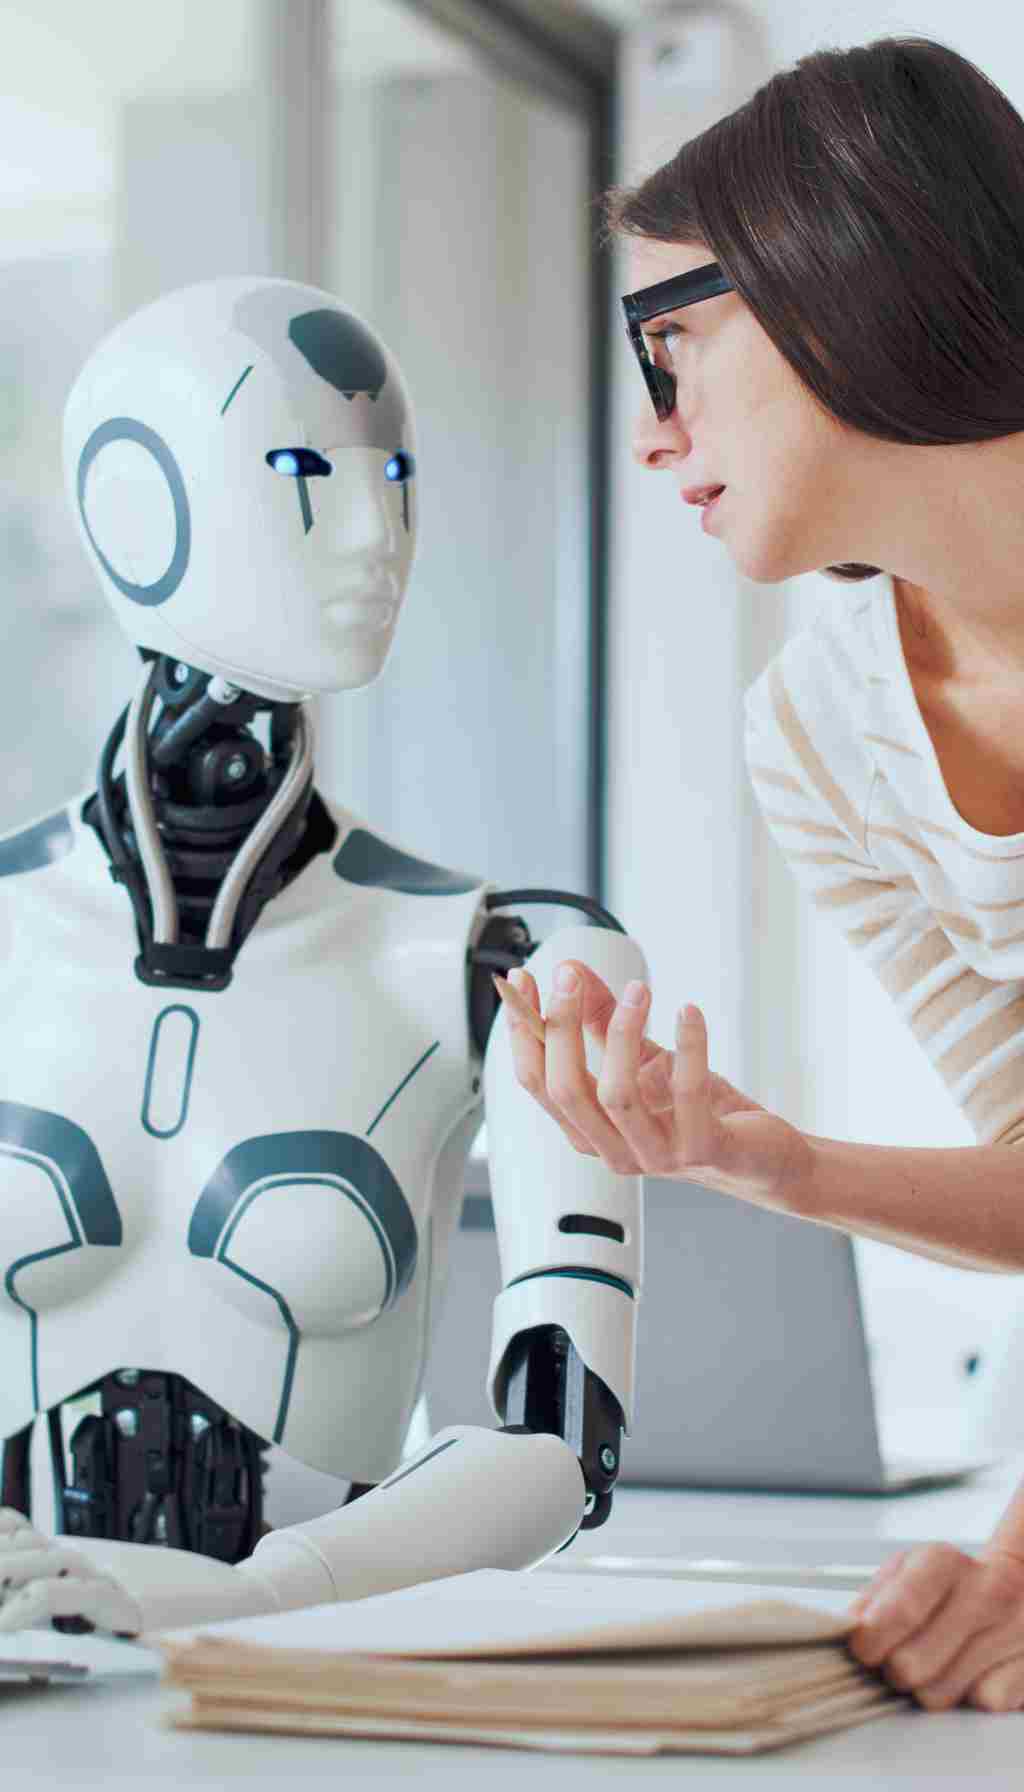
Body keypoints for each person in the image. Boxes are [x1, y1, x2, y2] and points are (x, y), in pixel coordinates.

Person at [502, 34, 1024, 1714]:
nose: (654, 438)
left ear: (840, 267)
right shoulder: (820, 735)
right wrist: (774, 1165)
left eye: (672, 353)